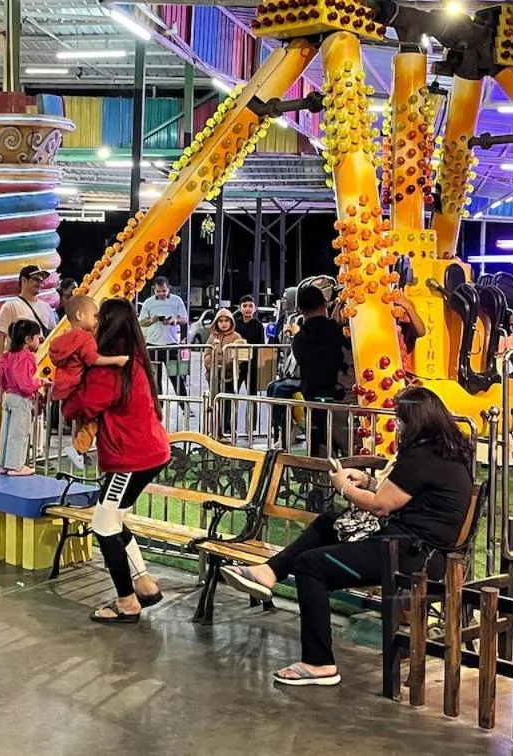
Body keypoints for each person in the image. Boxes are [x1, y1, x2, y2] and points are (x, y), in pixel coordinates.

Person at [219, 387, 474, 686]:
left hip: (411, 557)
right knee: (330, 521)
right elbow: (404, 492)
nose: (398, 427)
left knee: (310, 566)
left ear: (414, 422)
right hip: (413, 548)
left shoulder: (421, 456)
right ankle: (269, 571)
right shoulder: (445, 451)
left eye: (401, 421)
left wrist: (344, 486)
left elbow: (380, 505)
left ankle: (319, 663)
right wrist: (366, 479)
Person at [64, 299, 171, 624]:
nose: (93, 322)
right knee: (114, 520)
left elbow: (80, 407)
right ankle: (144, 585)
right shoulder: (136, 357)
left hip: (130, 458)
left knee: (104, 525)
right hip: (148, 453)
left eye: (99, 317)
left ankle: (127, 601)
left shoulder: (110, 368)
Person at [49, 295, 130, 469]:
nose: (97, 320)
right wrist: (117, 360)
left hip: (63, 389)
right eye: (94, 316)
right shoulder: (85, 338)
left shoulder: (64, 339)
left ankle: (81, 451)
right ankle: (78, 449)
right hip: (76, 387)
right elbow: (93, 359)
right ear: (79, 315)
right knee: (93, 419)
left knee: (82, 419)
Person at [291, 284, 348, 456]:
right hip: (341, 398)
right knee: (348, 451)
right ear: (325, 304)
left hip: (313, 397)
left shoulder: (300, 339)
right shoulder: (337, 332)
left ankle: (318, 481)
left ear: (301, 309)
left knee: (319, 449)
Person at [0, 318, 46, 477]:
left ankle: (3, 463)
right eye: (37, 337)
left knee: (7, 431)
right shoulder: (27, 357)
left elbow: (0, 377)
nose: (39, 341)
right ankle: (16, 465)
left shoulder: (6, 356)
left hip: (8, 396)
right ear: (28, 339)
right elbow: (25, 384)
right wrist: (39, 382)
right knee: (19, 432)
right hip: (21, 398)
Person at [0, 265, 58, 359]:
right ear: (24, 280)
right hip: (17, 364)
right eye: (36, 279)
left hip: (42, 363)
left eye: (42, 281)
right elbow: (0, 336)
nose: (39, 283)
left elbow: (53, 334)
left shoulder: (46, 307)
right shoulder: (10, 306)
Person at [138, 276, 189, 397]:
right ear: (153, 290)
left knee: (176, 376)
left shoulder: (177, 300)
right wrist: (152, 320)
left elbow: (185, 319)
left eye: (164, 291)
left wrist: (174, 320)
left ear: (169, 289)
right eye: (158, 291)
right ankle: (158, 406)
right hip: (153, 344)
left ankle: (184, 405)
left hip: (172, 345)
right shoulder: (148, 302)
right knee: (155, 379)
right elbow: (141, 322)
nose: (161, 293)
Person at [203, 308, 243, 436]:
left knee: (227, 404)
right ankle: (215, 429)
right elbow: (207, 354)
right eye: (220, 321)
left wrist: (227, 364)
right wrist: (212, 365)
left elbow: (240, 356)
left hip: (229, 377)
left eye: (226, 320)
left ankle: (227, 430)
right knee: (214, 403)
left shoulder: (236, 337)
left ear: (231, 322)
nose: (223, 323)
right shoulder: (212, 336)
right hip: (213, 377)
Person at [233, 295, 265, 392]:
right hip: (237, 363)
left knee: (252, 394)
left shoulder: (259, 326)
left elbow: (261, 345)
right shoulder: (235, 324)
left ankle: (252, 408)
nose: (248, 309)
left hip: (252, 365)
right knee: (233, 391)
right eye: (245, 306)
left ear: (255, 308)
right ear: (240, 308)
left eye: (250, 306)